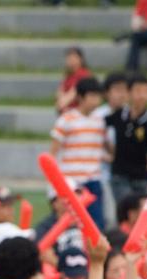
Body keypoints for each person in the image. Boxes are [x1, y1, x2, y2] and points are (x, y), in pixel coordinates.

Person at [49, 76, 107, 231]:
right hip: (71, 181)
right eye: (92, 96)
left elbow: (104, 146)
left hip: (93, 179)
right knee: (70, 224)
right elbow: (53, 153)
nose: (96, 100)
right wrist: (54, 183)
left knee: (97, 225)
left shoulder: (100, 120)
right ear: (80, 97)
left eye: (98, 96)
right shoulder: (66, 120)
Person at [106, 73, 147, 212]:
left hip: (141, 176)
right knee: (126, 209)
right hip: (120, 175)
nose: (142, 96)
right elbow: (101, 132)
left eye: (146, 92)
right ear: (129, 93)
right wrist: (107, 152)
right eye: (138, 91)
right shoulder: (118, 115)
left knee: (139, 214)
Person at [54, 46, 92, 113]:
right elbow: (59, 94)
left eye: (74, 57)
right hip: (66, 112)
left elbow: (71, 95)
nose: (71, 60)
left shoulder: (84, 75)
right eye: (69, 58)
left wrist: (61, 105)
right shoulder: (67, 75)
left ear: (81, 59)